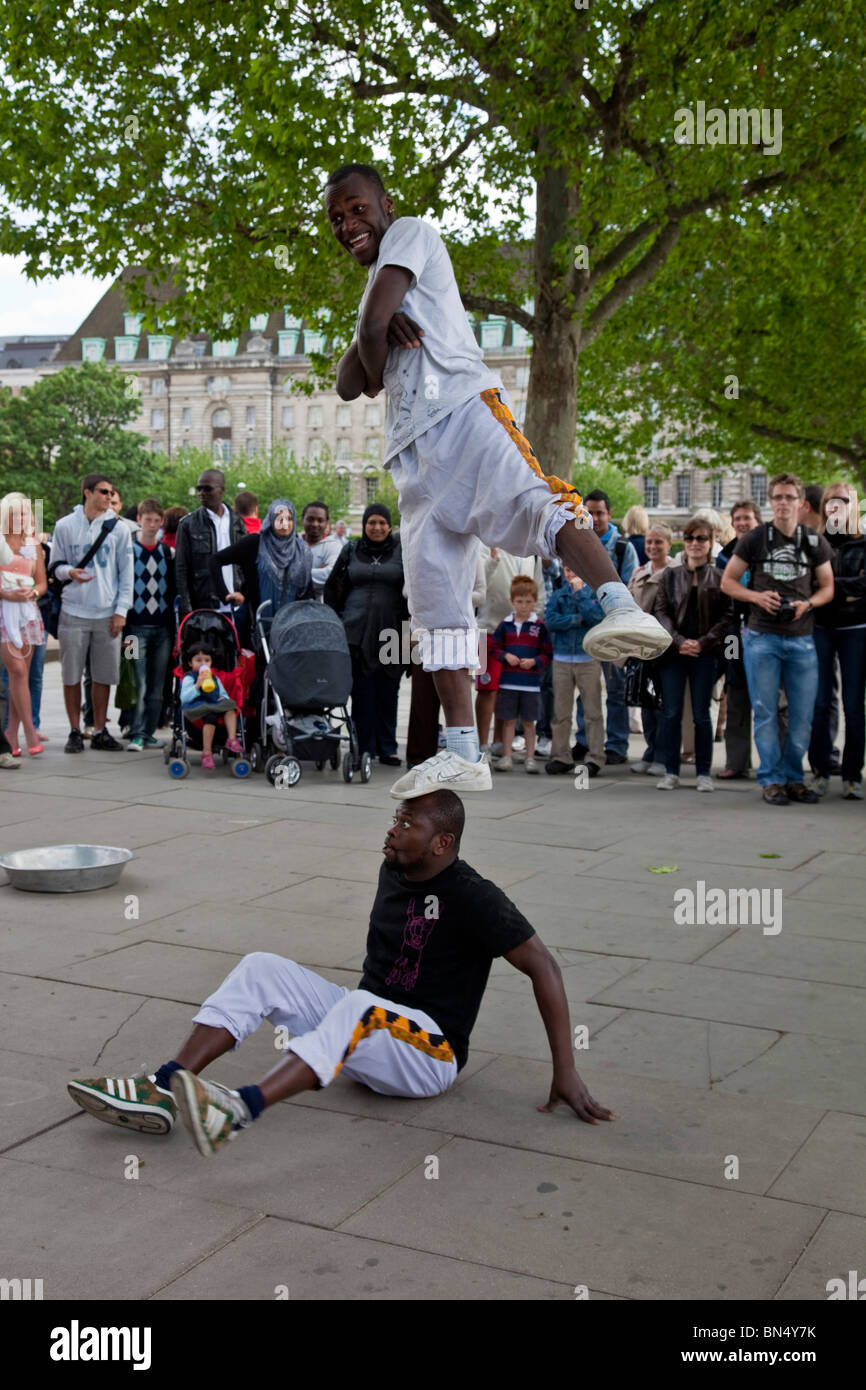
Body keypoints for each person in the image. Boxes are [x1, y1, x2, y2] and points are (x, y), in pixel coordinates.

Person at [325, 162, 669, 798]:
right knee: (435, 608)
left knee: (538, 504)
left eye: (356, 209)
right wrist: (372, 333)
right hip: (413, 463)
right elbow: (350, 382)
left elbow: (371, 346)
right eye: (336, 219)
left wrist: (376, 333)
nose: (348, 224)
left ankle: (622, 606)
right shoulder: (378, 282)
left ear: (385, 203)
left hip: (461, 412)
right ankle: (463, 750)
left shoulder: (411, 235)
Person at [66, 789, 615, 1155]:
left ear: (442, 843)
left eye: (408, 824)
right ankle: (166, 1084)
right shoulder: (395, 868)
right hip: (366, 1031)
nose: (393, 831)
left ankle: (236, 1112)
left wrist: (565, 1069)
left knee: (359, 1008)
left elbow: (544, 966)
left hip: (430, 1057)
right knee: (264, 967)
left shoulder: (475, 898)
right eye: (394, 818)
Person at [721, 472, 835, 806]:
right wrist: (757, 597)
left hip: (801, 639)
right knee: (766, 712)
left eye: (789, 498)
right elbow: (728, 582)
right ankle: (771, 780)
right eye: (778, 497)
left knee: (802, 715)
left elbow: (828, 587)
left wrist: (808, 603)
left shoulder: (813, 542)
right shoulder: (755, 539)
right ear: (770, 502)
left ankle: (794, 779)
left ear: (801, 503)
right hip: (761, 637)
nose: (783, 503)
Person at [49, 473, 134, 754]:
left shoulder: (119, 529)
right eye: (103, 492)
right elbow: (55, 566)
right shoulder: (64, 526)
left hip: (106, 612)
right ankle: (75, 730)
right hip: (73, 610)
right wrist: (68, 571)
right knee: (71, 674)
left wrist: (121, 611)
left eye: (111, 493)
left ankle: (99, 729)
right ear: (87, 492)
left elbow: (127, 574)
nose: (109, 497)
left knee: (103, 675)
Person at [652, 517, 733, 791]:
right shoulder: (670, 575)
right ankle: (671, 771)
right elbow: (660, 612)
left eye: (701, 539)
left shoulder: (720, 577)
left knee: (701, 714)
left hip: (705, 654)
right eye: (689, 539)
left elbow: (727, 617)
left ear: (711, 543)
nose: (695, 544)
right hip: (674, 654)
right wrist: (679, 641)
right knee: (672, 712)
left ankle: (703, 773)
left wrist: (704, 642)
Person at [324, 503, 407, 766]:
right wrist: (335, 620)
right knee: (361, 691)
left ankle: (387, 747)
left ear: (390, 526)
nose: (377, 527)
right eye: (372, 522)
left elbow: (414, 589)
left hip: (393, 630)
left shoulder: (402, 552)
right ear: (364, 525)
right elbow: (332, 586)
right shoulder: (351, 550)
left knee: (388, 689)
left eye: (382, 523)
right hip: (355, 631)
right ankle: (363, 745)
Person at [808, 482, 866, 800]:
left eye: (842, 500)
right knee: (820, 703)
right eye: (830, 501)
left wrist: (829, 587)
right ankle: (819, 771)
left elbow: (864, 584)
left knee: (854, 705)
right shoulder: (815, 543)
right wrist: (847, 588)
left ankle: (852, 774)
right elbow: (807, 583)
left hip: (856, 627)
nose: (835, 506)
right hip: (820, 627)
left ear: (852, 504)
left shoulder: (863, 542)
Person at [572, 491, 638, 765]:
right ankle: (585, 741)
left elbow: (631, 589)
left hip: (613, 632)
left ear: (610, 515)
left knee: (615, 691)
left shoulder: (623, 548)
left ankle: (617, 744)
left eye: (600, 512)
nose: (595, 518)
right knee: (585, 691)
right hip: (584, 631)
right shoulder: (575, 544)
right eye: (589, 512)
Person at [208, 499, 313, 626]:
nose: (284, 523)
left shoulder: (301, 550)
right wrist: (225, 594)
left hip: (292, 626)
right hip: (257, 623)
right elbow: (215, 560)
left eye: (289, 519)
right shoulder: (255, 543)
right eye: (279, 518)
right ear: (271, 520)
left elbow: (307, 589)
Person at [715, 499, 762, 780]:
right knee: (735, 692)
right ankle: (736, 761)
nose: (743, 523)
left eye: (748, 518)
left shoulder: (768, 549)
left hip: (763, 631)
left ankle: (773, 761)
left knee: (771, 699)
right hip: (733, 633)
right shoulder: (725, 554)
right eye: (738, 519)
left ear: (757, 521)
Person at [544, 564, 606, 776]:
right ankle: (561, 755)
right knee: (561, 712)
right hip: (561, 658)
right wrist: (576, 620)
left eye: (576, 570)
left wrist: (580, 595)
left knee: (592, 711)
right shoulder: (559, 594)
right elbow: (550, 621)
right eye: (568, 570)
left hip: (587, 658)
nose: (571, 575)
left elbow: (597, 618)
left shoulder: (592, 594)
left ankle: (595, 756)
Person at [125, 499, 175, 752]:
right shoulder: (128, 551)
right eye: (148, 520)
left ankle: (148, 731)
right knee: (137, 683)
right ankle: (135, 731)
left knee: (157, 686)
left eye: (157, 521)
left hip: (163, 630)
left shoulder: (167, 553)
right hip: (134, 630)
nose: (152, 525)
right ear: (139, 520)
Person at [488, 576, 551, 773]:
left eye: (528, 602)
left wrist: (534, 662)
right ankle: (507, 756)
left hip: (530, 684)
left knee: (529, 722)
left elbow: (548, 653)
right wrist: (506, 656)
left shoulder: (539, 626)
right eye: (519, 601)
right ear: (512, 601)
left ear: (535, 602)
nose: (524, 606)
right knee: (508, 721)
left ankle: (530, 758)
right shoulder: (504, 625)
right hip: (508, 683)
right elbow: (494, 649)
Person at [1, 493, 47, 756]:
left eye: (25, 513)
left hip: (28, 613)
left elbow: (41, 581)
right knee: (17, 671)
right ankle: (30, 731)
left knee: (23, 677)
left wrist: (34, 593)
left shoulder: (34, 545)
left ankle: (10, 733)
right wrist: (7, 594)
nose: (21, 518)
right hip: (3, 611)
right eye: (16, 513)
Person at [628, 522, 676, 775]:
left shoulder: (677, 571)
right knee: (646, 703)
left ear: (669, 544)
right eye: (649, 542)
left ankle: (664, 755)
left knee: (665, 704)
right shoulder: (638, 572)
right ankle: (650, 750)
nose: (653, 546)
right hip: (643, 646)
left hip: (668, 647)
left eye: (658, 542)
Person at [175, 470, 248, 617]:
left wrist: (245, 593)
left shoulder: (237, 523)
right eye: (199, 489)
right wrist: (186, 609)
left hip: (236, 606)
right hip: (204, 606)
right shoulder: (188, 524)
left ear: (221, 490)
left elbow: (247, 564)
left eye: (207, 488)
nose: (201, 493)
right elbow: (181, 568)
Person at [180, 642, 242, 771]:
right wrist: (197, 685)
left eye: (207, 660)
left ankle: (231, 739)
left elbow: (222, 693)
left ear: (211, 663)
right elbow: (184, 698)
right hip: (198, 707)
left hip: (214, 704)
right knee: (211, 717)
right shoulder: (189, 677)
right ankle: (207, 753)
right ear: (190, 663)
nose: (203, 664)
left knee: (231, 706)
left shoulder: (215, 678)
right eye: (198, 660)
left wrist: (223, 698)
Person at [301, 501, 344, 596]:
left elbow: (330, 575)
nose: (315, 524)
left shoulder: (334, 546)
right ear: (302, 519)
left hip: (322, 607)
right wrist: (318, 571)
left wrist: (296, 573)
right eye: (310, 519)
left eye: (320, 520)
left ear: (327, 523)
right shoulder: (293, 544)